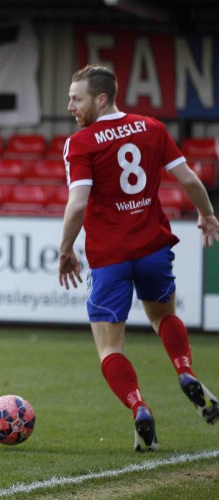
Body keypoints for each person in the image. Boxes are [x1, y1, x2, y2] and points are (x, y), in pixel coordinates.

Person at [58, 64, 219, 452]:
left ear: (101, 98)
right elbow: (189, 180)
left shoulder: (81, 143)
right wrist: (207, 214)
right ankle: (184, 371)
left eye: (76, 98)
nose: (69, 106)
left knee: (110, 348)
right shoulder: (152, 128)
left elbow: (77, 205)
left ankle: (140, 408)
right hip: (152, 248)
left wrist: (65, 250)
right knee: (163, 315)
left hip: (110, 256)